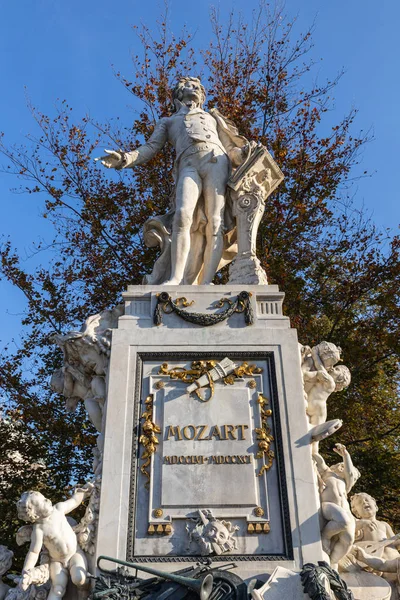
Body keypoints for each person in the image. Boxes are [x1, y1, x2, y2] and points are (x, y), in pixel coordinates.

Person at [96, 76, 249, 285]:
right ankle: (176, 278)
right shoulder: (168, 122)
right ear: (178, 92)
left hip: (216, 162)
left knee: (215, 221)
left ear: (202, 95)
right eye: (188, 85)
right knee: (182, 215)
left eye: (197, 86)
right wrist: (125, 158)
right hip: (188, 164)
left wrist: (242, 154)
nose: (193, 88)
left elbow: (231, 149)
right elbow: (150, 148)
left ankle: (206, 283)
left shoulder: (212, 118)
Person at [17, 485, 93, 600]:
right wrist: (26, 571)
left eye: (44, 499)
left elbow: (74, 501)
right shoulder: (38, 530)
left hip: (75, 553)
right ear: (34, 514)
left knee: (80, 579)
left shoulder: (58, 508)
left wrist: (85, 491)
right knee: (57, 589)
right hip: (57, 562)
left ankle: (83, 593)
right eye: (41, 502)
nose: (47, 500)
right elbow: (33, 552)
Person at [313, 443, 360, 570]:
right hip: (328, 507)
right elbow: (317, 458)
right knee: (343, 521)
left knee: (348, 540)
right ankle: (325, 536)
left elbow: (349, 474)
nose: (343, 467)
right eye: (341, 465)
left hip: (345, 511)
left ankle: (331, 564)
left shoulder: (346, 483)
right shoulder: (327, 473)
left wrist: (346, 456)